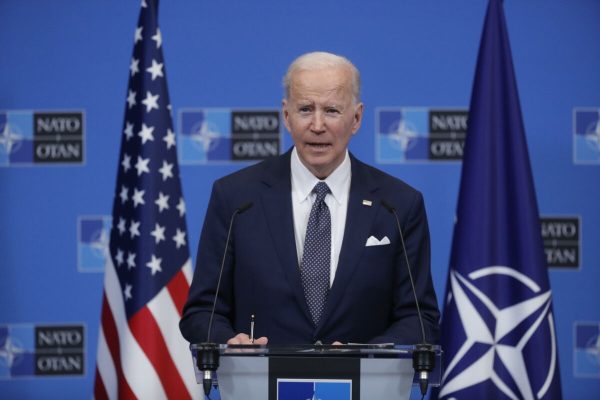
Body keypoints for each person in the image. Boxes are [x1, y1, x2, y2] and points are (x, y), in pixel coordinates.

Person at [180, 51, 440, 346]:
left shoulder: (398, 205)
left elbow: (420, 319)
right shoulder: (236, 199)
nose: (317, 125)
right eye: (305, 109)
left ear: (356, 118)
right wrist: (230, 341)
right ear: (287, 116)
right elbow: (202, 312)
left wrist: (365, 354)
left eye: (331, 110)